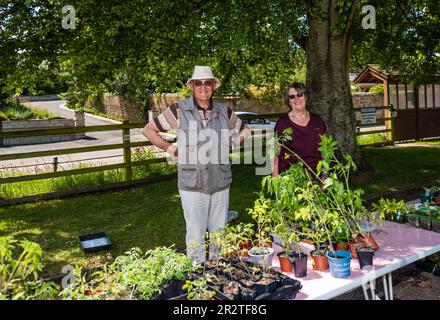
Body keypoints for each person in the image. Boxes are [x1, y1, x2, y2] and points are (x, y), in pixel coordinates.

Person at [142, 66, 251, 264]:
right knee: (195, 235)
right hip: (192, 183)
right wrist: (171, 149)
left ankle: (219, 273)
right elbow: (149, 130)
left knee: (220, 234)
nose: (203, 87)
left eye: (207, 83)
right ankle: (198, 278)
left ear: (213, 87)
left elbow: (246, 130)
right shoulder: (179, 110)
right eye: (198, 83)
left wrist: (232, 143)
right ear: (192, 86)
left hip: (220, 181)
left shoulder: (223, 111)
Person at [272, 82, 326, 177]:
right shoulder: (282, 124)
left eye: (300, 94)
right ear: (289, 101)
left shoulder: (317, 121)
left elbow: (325, 153)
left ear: (306, 97)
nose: (296, 98)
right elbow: (275, 154)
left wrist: (325, 177)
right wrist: (275, 180)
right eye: (292, 97)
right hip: (291, 179)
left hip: (316, 177)